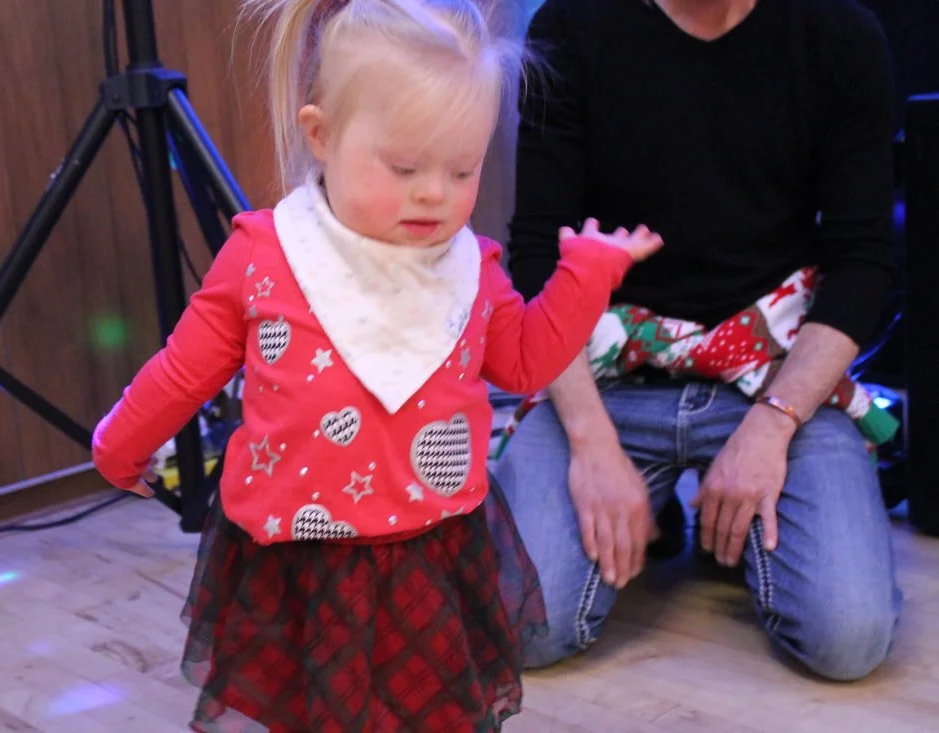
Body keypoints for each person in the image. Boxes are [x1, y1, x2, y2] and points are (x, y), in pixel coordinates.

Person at [91, 1, 662, 730]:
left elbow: (523, 363)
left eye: (463, 169)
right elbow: (183, 369)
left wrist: (584, 275)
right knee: (314, 710)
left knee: (434, 709)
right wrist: (119, 443)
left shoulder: (471, 270)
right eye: (404, 166)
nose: (435, 192)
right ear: (321, 135)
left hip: (430, 548)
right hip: (300, 552)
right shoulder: (266, 255)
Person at [495, 0, 902, 682]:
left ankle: (723, 526)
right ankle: (665, 511)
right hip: (610, 373)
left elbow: (863, 260)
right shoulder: (569, 27)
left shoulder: (840, 34)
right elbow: (539, 257)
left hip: (771, 373)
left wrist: (774, 424)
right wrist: (591, 444)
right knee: (524, 624)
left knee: (848, 637)